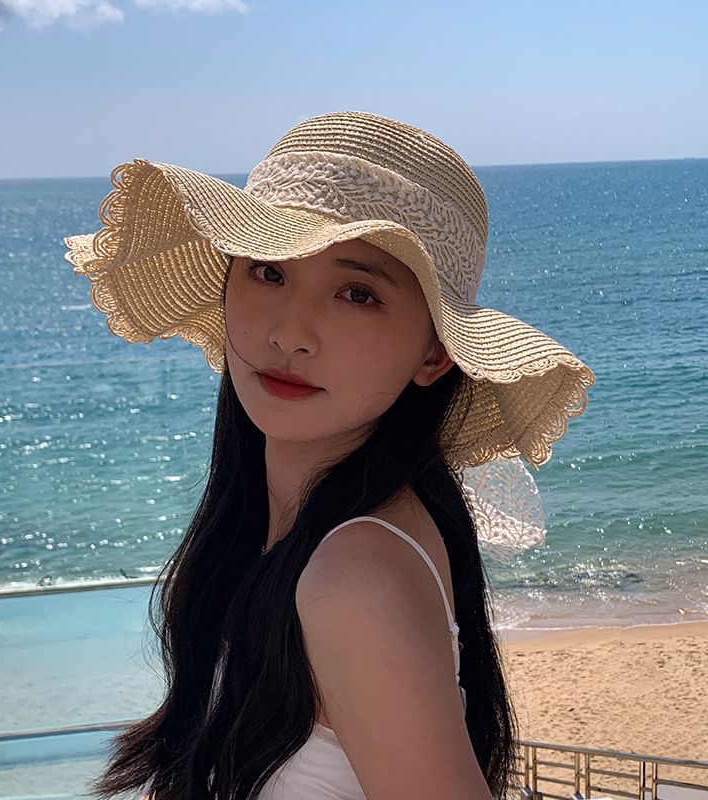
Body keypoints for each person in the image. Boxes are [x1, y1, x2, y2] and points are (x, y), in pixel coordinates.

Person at [64, 110, 595, 800]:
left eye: (357, 293)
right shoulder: (309, 531)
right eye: (268, 271)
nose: (291, 332)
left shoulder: (355, 575)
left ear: (434, 354)